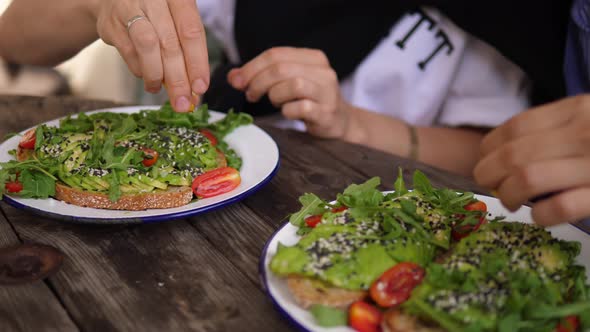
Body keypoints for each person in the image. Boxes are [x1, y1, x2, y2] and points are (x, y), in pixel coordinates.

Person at [0, 1, 570, 176]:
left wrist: (351, 123)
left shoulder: (512, 18)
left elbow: (498, 153)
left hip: (386, 216)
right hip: (220, 192)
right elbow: (16, 40)